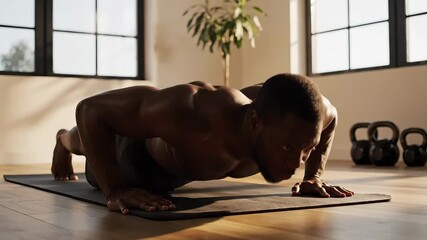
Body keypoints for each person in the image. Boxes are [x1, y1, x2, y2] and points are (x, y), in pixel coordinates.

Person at [51, 73, 354, 215]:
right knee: (84, 143)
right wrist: (114, 190)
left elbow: (332, 117)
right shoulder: (190, 110)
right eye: (290, 148)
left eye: (307, 149)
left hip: (185, 164)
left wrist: (313, 175)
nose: (298, 160)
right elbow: (90, 110)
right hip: (141, 158)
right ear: (254, 122)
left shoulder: (305, 115)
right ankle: (62, 140)